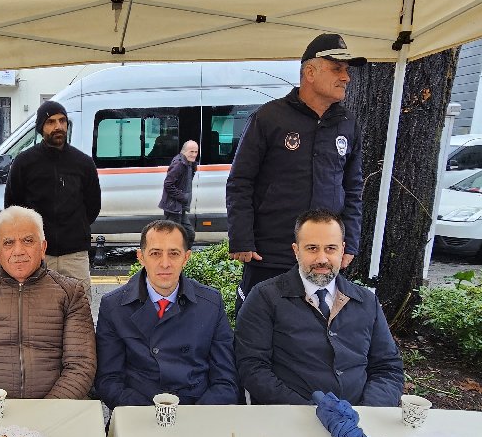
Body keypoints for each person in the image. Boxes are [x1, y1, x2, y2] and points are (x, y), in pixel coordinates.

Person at [227, 33, 366, 307]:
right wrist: (242, 238)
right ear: (310, 73)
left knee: (315, 325)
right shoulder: (269, 118)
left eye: (346, 70)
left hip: (322, 256)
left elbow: (353, 188)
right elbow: (240, 182)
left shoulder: (348, 123)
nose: (346, 77)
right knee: (260, 323)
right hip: (270, 253)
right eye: (337, 69)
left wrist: (349, 241)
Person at [234, 209, 403, 406]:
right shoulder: (265, 298)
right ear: (296, 251)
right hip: (292, 416)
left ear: (342, 250)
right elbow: (252, 367)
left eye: (330, 248)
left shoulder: (366, 301)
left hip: (361, 417)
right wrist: (311, 412)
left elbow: (388, 367)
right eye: (312, 248)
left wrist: (367, 411)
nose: (322, 259)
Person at [0, 206, 95, 399]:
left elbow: (81, 364)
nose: (18, 251)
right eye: (8, 243)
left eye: (28, 241)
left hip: (55, 409)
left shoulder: (71, 293)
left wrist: (49, 409)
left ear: (43, 248)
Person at [94, 220, 235, 408]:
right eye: (155, 253)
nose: (165, 263)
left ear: (186, 257)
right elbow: (108, 380)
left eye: (174, 253)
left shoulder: (211, 303)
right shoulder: (114, 306)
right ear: (141, 257)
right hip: (139, 411)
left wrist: (196, 416)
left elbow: (225, 379)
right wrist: (153, 415)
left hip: (197, 410)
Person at [4, 100, 101, 284]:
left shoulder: (83, 163)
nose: (58, 126)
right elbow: (12, 206)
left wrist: (75, 228)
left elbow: (93, 206)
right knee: (36, 302)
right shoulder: (24, 163)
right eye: (51, 122)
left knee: (79, 302)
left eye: (62, 121)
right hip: (37, 253)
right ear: (41, 128)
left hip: (75, 254)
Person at [158, 140, 199, 244]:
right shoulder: (179, 164)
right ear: (184, 151)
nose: (194, 154)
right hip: (173, 208)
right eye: (191, 151)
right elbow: (168, 184)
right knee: (173, 237)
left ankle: (184, 253)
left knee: (189, 234)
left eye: (196, 152)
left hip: (180, 207)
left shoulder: (189, 164)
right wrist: (182, 197)